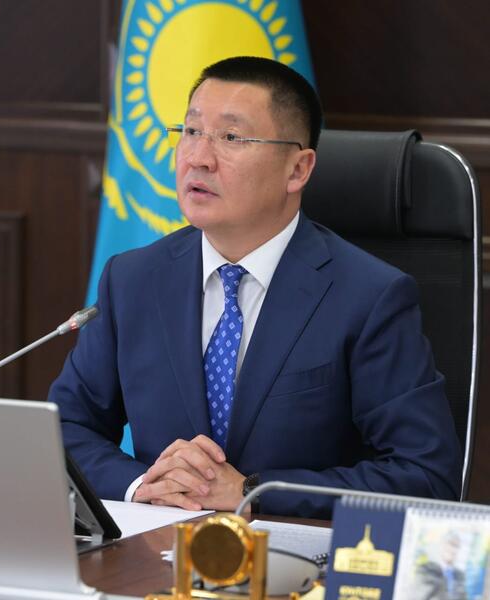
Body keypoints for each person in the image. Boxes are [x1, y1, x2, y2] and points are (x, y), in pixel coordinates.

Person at [49, 56, 462, 517]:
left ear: (298, 170)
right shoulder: (133, 279)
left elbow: (425, 475)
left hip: (298, 553)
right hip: (160, 547)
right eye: (191, 131)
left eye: (231, 138)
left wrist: (253, 492)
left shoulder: (369, 297)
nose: (198, 158)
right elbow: (64, 429)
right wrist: (142, 485)